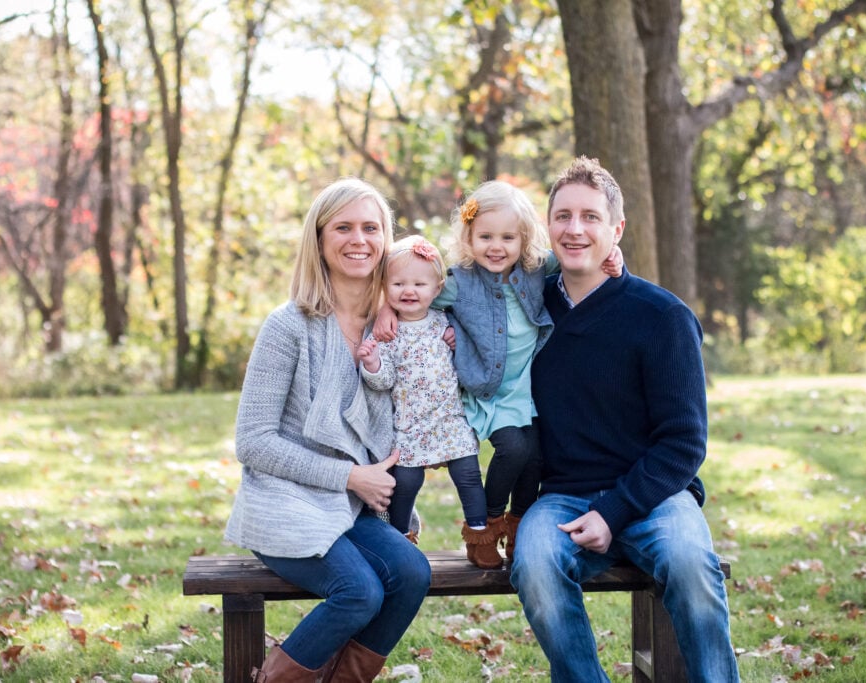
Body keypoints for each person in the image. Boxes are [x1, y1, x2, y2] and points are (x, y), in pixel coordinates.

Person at [509, 156, 740, 682]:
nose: (575, 229)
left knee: (691, 566)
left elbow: (683, 443)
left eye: (591, 217)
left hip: (655, 495)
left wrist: (614, 511)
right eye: (563, 216)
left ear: (617, 229)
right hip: (562, 496)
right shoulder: (526, 312)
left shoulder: (662, 317)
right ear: (548, 226)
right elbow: (446, 294)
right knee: (536, 565)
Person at [225, 177, 432, 683]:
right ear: (319, 239)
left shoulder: (397, 327)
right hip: (285, 503)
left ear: (385, 238)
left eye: (370, 227)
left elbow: (488, 279)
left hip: (351, 510)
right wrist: (350, 478)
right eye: (343, 227)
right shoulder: (288, 326)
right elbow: (252, 441)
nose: (358, 239)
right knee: (360, 590)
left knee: (411, 573)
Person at [373, 180, 622, 568]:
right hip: (487, 391)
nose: (496, 246)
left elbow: (582, 254)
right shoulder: (458, 282)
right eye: (485, 236)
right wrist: (386, 309)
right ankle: (488, 521)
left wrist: (614, 256)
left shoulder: (538, 269)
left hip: (526, 386)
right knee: (514, 448)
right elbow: (412, 293)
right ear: (469, 237)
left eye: (508, 237)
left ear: (524, 240)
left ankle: (519, 524)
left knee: (536, 457)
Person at [356, 235, 491, 566]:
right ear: (386, 287)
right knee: (406, 481)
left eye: (419, 283)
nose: (409, 291)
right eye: (398, 283)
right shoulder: (386, 332)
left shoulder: (447, 322)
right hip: (411, 423)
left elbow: (471, 358)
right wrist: (372, 362)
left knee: (469, 475)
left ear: (437, 288)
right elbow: (383, 380)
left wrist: (461, 343)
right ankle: (400, 540)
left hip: (449, 419)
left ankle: (480, 534)